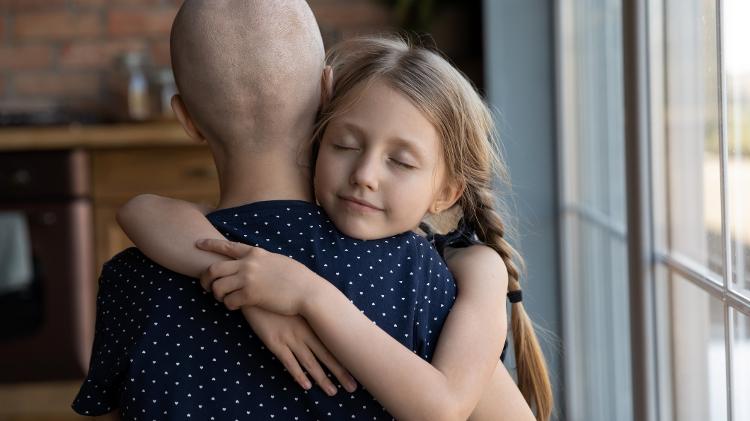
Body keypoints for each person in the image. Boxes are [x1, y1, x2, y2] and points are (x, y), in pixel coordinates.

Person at [73, 1, 544, 420]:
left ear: (186, 119)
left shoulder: (132, 280)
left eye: (400, 161)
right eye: (349, 145)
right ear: (326, 93)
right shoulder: (424, 276)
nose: (366, 175)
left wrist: (300, 295)